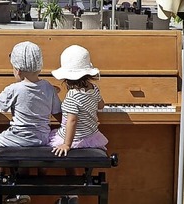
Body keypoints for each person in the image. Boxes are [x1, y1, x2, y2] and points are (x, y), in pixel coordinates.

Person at [0, 41, 62, 203]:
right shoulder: (48, 87)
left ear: (17, 70)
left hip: (19, 137)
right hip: (42, 138)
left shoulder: (14, 88)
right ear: (39, 67)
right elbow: (59, 115)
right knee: (44, 144)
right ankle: (41, 176)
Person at [49, 45, 109, 203]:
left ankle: (68, 190)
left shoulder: (71, 96)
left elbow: (72, 120)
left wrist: (67, 144)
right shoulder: (94, 88)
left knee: (53, 145)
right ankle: (81, 184)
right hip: (91, 135)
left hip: (75, 139)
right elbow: (101, 105)